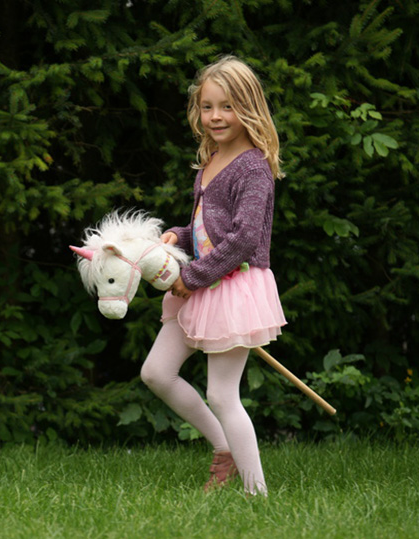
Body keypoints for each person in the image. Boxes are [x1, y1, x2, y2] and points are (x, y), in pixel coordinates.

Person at [140, 55, 286, 496]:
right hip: (204, 283)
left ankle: (256, 493)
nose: (217, 116)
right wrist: (177, 236)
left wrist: (195, 275)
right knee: (156, 373)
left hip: (231, 287)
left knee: (223, 394)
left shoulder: (254, 167)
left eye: (228, 106)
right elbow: (208, 228)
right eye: (208, 107)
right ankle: (224, 449)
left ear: (249, 107)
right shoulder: (213, 159)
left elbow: (243, 239)